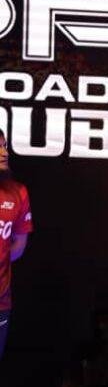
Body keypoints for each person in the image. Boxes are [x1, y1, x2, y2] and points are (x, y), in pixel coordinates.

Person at [0, 131, 32, 360]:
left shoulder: (18, 193)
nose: (4, 153)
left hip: (1, 303)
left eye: (4, 146)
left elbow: (19, 245)